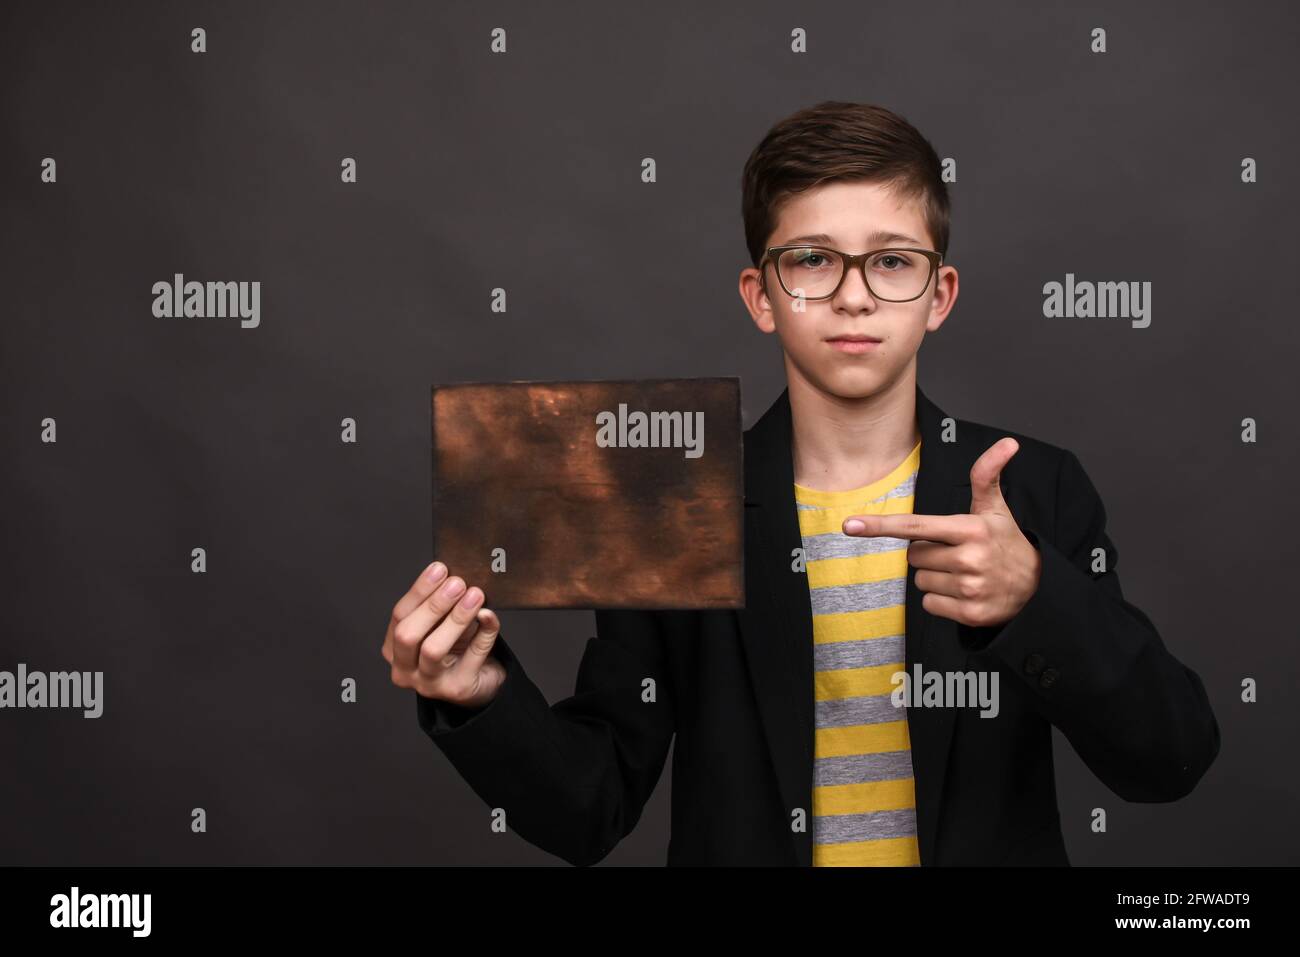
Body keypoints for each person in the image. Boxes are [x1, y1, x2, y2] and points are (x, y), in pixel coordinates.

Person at [381, 101, 1220, 866]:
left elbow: (1169, 758)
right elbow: (589, 807)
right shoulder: (677, 505)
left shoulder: (1035, 489)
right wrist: (480, 696)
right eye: (813, 259)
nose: (854, 296)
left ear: (940, 294)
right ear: (761, 295)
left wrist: (1034, 595)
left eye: (892, 261)